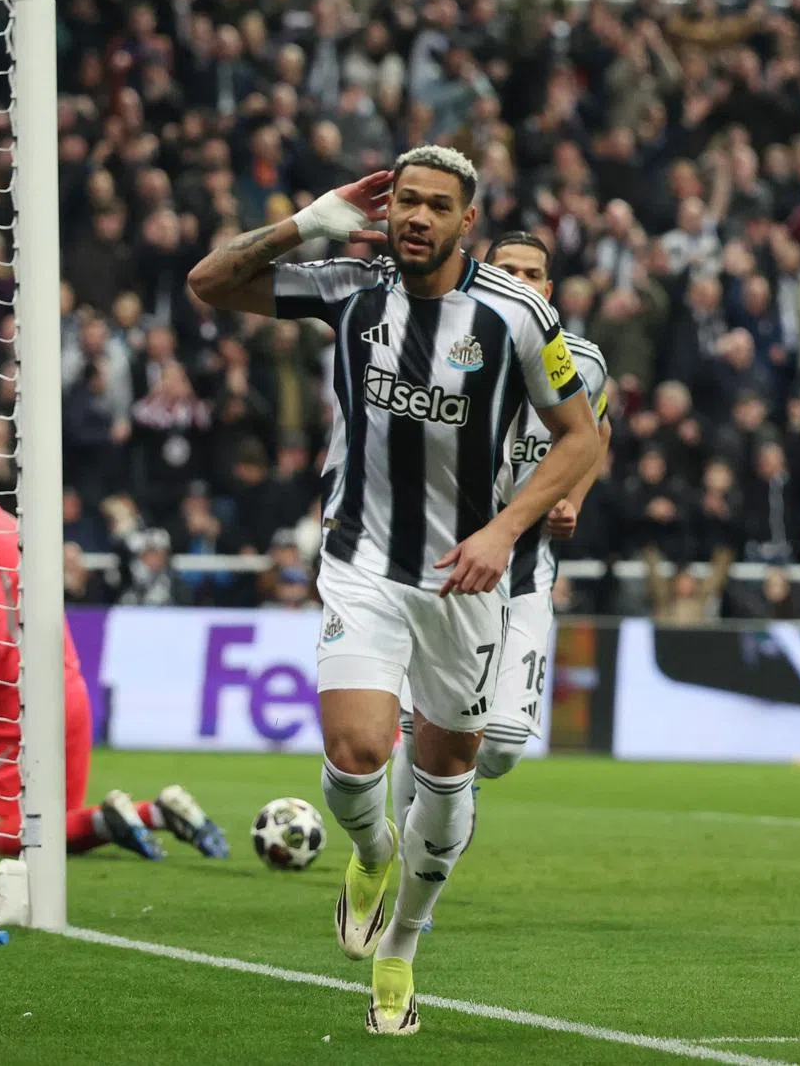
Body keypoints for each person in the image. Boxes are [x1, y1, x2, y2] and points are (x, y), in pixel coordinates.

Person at [187, 148, 599, 1035]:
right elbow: (211, 282)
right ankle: (371, 852)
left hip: (466, 577)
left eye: (435, 205)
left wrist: (502, 530)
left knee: (452, 769)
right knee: (359, 750)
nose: (415, 216)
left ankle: (401, 952)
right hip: (363, 557)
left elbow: (579, 437)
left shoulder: (517, 314)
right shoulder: (350, 285)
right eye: (405, 200)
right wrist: (308, 220)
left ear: (465, 222)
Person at [391, 234, 613, 851]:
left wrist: (573, 499)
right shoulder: (442, 347)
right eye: (505, 269)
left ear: (547, 289)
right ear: (483, 274)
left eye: (532, 273)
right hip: (446, 566)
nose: (519, 279)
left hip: (526, 574)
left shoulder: (585, 363)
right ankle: (408, 873)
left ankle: (454, 790)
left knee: (507, 744)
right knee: (421, 727)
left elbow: (597, 432)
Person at [0, 430, 228, 862]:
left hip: (17, 698)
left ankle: (110, 819)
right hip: (68, 687)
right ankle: (154, 812)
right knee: (60, 828)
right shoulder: (15, 528)